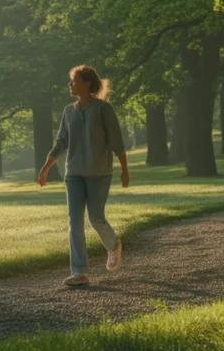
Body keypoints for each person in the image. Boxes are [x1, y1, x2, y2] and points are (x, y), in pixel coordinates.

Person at [38, 65, 129, 287]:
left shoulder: (103, 109)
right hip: (74, 174)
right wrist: (46, 167)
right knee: (74, 222)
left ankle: (113, 244)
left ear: (87, 83)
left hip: (99, 173)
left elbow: (116, 141)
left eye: (73, 80)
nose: (69, 84)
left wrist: (125, 170)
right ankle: (80, 273)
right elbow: (61, 142)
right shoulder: (68, 111)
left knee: (95, 218)